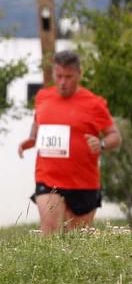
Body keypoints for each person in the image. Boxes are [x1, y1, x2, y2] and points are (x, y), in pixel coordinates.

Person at [18, 51, 122, 235]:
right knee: (50, 233)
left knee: (77, 243)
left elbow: (115, 136)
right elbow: (37, 121)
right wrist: (32, 139)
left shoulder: (94, 103)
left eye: (68, 77)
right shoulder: (43, 97)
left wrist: (102, 144)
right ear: (53, 74)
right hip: (48, 180)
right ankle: (45, 265)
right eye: (58, 76)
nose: (63, 82)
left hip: (84, 183)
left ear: (79, 74)